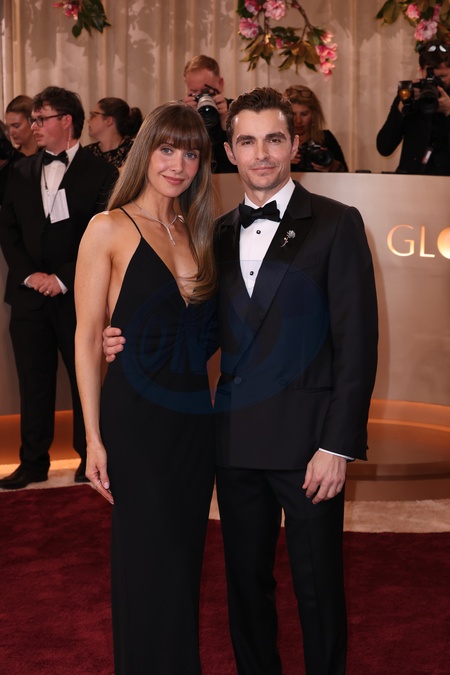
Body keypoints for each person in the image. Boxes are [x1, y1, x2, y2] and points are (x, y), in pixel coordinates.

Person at [103, 87, 378, 674]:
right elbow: (200, 336)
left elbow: (358, 345)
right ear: (229, 151)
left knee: (318, 589)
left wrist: (337, 446)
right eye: (247, 141)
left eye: (274, 139)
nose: (262, 154)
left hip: (310, 445)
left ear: (294, 145)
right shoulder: (214, 235)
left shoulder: (337, 223)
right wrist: (127, 339)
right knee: (246, 590)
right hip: (233, 443)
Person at [74, 102, 217, 673]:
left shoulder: (197, 230)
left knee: (183, 560)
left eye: (191, 154)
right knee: (148, 559)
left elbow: (205, 333)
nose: (178, 165)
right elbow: (88, 337)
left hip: (193, 420)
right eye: (167, 149)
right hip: (135, 419)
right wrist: (93, 438)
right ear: (144, 152)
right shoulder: (108, 227)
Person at [0, 86, 118, 491]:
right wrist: (30, 275)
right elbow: (8, 231)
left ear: (66, 121)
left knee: (86, 377)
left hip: (79, 294)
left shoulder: (101, 172)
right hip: (28, 296)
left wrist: (63, 277)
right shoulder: (19, 171)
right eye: (32, 119)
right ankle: (32, 462)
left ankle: (90, 458)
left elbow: (101, 234)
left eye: (41, 119)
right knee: (33, 382)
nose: (33, 126)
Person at [376, 38, 450, 174]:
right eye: (430, 76)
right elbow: (384, 147)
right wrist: (401, 108)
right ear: (420, 70)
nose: (436, 81)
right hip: (411, 179)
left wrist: (449, 111)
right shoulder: (410, 94)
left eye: (442, 76)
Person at [182, 54, 238, 174]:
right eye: (194, 92)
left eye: (206, 92)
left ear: (220, 84)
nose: (202, 98)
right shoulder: (178, 112)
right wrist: (185, 121)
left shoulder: (237, 110)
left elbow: (242, 159)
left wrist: (228, 124)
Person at [285, 84, 348, 172]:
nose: (298, 120)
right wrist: (281, 162)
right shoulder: (278, 141)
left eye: (304, 114)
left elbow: (346, 174)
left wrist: (332, 166)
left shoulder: (325, 138)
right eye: (293, 114)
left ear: (313, 114)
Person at [86, 97, 143, 169]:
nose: (88, 120)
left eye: (93, 115)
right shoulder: (87, 152)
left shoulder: (135, 151)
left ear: (109, 120)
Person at [0, 96, 38, 203]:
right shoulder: (9, 159)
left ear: (32, 122)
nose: (11, 132)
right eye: (8, 127)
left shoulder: (46, 156)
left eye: (16, 126)